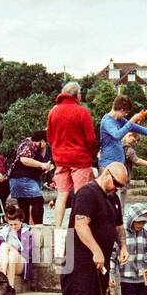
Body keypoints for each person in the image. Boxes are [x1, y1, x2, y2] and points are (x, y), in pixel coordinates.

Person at [61, 161, 128, 295]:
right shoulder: (87, 193)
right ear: (107, 174)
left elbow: (118, 226)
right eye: (116, 183)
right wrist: (96, 250)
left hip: (101, 259)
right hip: (80, 255)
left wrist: (123, 246)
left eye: (121, 187)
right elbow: (81, 225)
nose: (117, 188)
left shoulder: (113, 198)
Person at [46, 81, 98, 231]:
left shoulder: (53, 111)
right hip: (80, 160)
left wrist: (58, 149)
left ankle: (57, 227)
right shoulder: (82, 112)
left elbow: (49, 137)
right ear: (76, 95)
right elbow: (91, 139)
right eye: (80, 93)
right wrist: (93, 154)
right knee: (81, 195)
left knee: (62, 194)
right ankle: (78, 227)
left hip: (61, 160)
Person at [99, 96, 147, 170]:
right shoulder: (107, 121)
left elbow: (135, 127)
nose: (126, 115)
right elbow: (117, 135)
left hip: (118, 165)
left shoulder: (119, 119)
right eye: (126, 113)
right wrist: (133, 119)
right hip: (107, 166)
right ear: (121, 110)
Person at [6, 130, 53, 225]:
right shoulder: (29, 144)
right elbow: (24, 159)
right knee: (38, 202)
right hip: (24, 179)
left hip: (16, 180)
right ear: (42, 141)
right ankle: (38, 226)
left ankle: (25, 230)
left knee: (24, 205)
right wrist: (42, 165)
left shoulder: (31, 145)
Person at [0, 199, 35, 295]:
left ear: (21, 221)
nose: (13, 227)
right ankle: (10, 287)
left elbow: (28, 254)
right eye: (11, 224)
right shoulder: (3, 231)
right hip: (4, 261)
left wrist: (13, 249)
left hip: (20, 263)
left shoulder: (27, 232)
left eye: (16, 224)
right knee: (6, 250)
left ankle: (2, 275)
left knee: (8, 249)